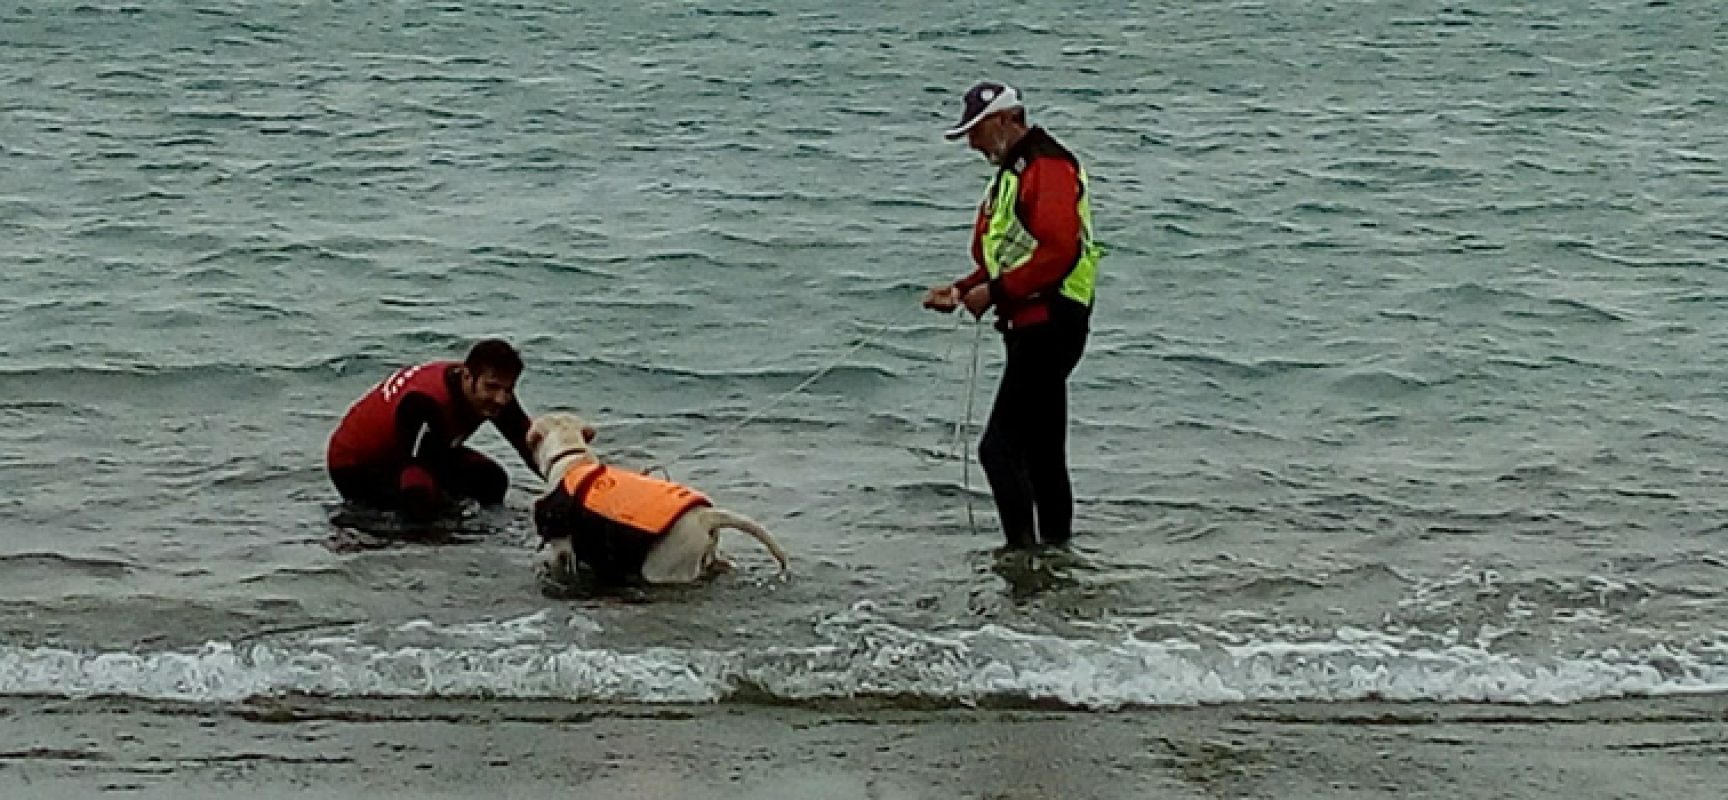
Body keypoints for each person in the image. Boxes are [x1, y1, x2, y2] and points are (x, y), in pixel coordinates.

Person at [922, 81, 1103, 550]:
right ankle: (1056, 561)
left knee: (998, 450)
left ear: (1005, 121)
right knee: (1042, 454)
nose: (971, 142)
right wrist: (963, 289)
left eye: (976, 130)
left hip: (1052, 321)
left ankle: (1022, 563)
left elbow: (1059, 251)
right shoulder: (1013, 172)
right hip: (1030, 322)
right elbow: (1008, 257)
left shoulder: (1048, 166)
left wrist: (994, 292)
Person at [326, 338, 540, 522]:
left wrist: (569, 485)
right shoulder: (423, 402)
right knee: (424, 507)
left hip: (421, 448)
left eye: (508, 389)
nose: (501, 399)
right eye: (492, 388)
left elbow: (531, 447)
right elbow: (414, 471)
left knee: (491, 481)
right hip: (357, 465)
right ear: (467, 376)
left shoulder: (493, 392)